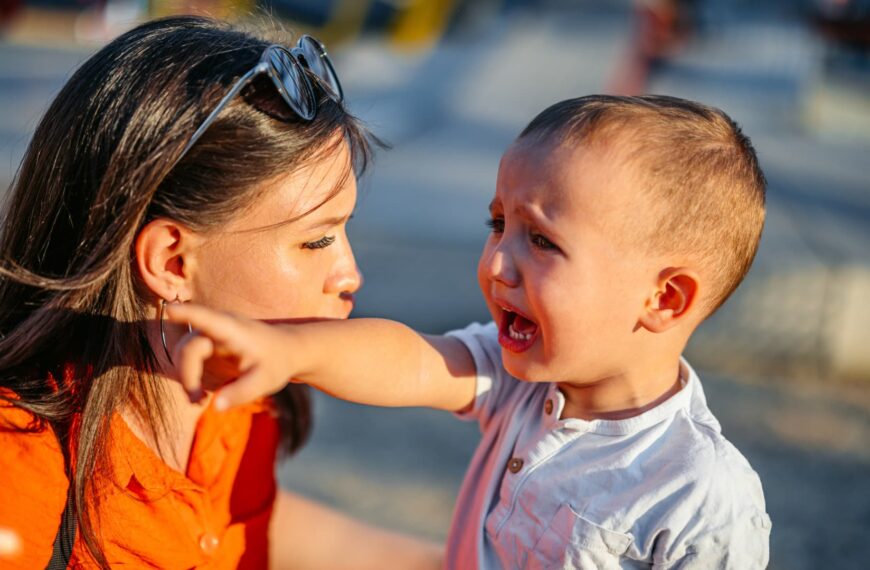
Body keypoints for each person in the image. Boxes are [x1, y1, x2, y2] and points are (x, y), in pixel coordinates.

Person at [168, 95, 773, 568]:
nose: (495, 264)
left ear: (664, 298)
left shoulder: (700, 494)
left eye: (540, 240)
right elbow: (413, 361)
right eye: (497, 223)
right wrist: (287, 348)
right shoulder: (525, 389)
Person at [0, 16, 441, 569]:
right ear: (172, 262)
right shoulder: (20, 466)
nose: (349, 275)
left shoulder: (242, 398)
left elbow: (243, 524)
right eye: (317, 240)